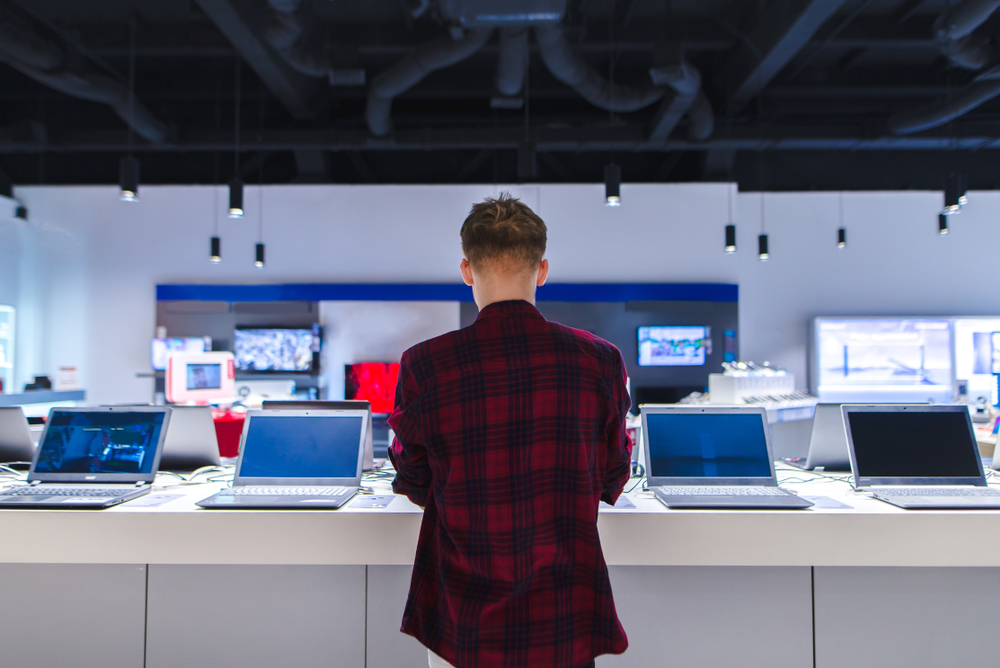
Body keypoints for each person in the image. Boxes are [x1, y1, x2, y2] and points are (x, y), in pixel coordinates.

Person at [388, 192, 633, 668]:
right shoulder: (600, 360)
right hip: (563, 613)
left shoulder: (425, 365)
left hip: (465, 620)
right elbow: (612, 477)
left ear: (467, 271)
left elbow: (414, 481)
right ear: (542, 270)